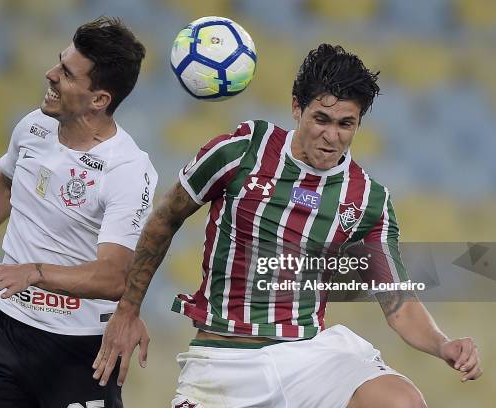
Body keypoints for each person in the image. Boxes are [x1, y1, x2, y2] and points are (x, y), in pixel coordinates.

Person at [92, 44, 482, 408]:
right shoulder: (241, 151)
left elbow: (396, 302)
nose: (331, 136)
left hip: (308, 357)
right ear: (297, 107)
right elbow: (166, 219)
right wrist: (128, 310)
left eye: (346, 124)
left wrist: (442, 345)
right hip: (223, 361)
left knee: (403, 402)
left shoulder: (368, 199)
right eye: (321, 119)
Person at [0, 16, 156, 408]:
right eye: (58, 62)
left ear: (99, 99)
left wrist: (33, 272)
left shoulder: (128, 171)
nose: (50, 75)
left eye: (66, 73)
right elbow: (4, 187)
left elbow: (113, 277)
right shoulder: (34, 128)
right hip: (11, 338)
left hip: (82, 355)